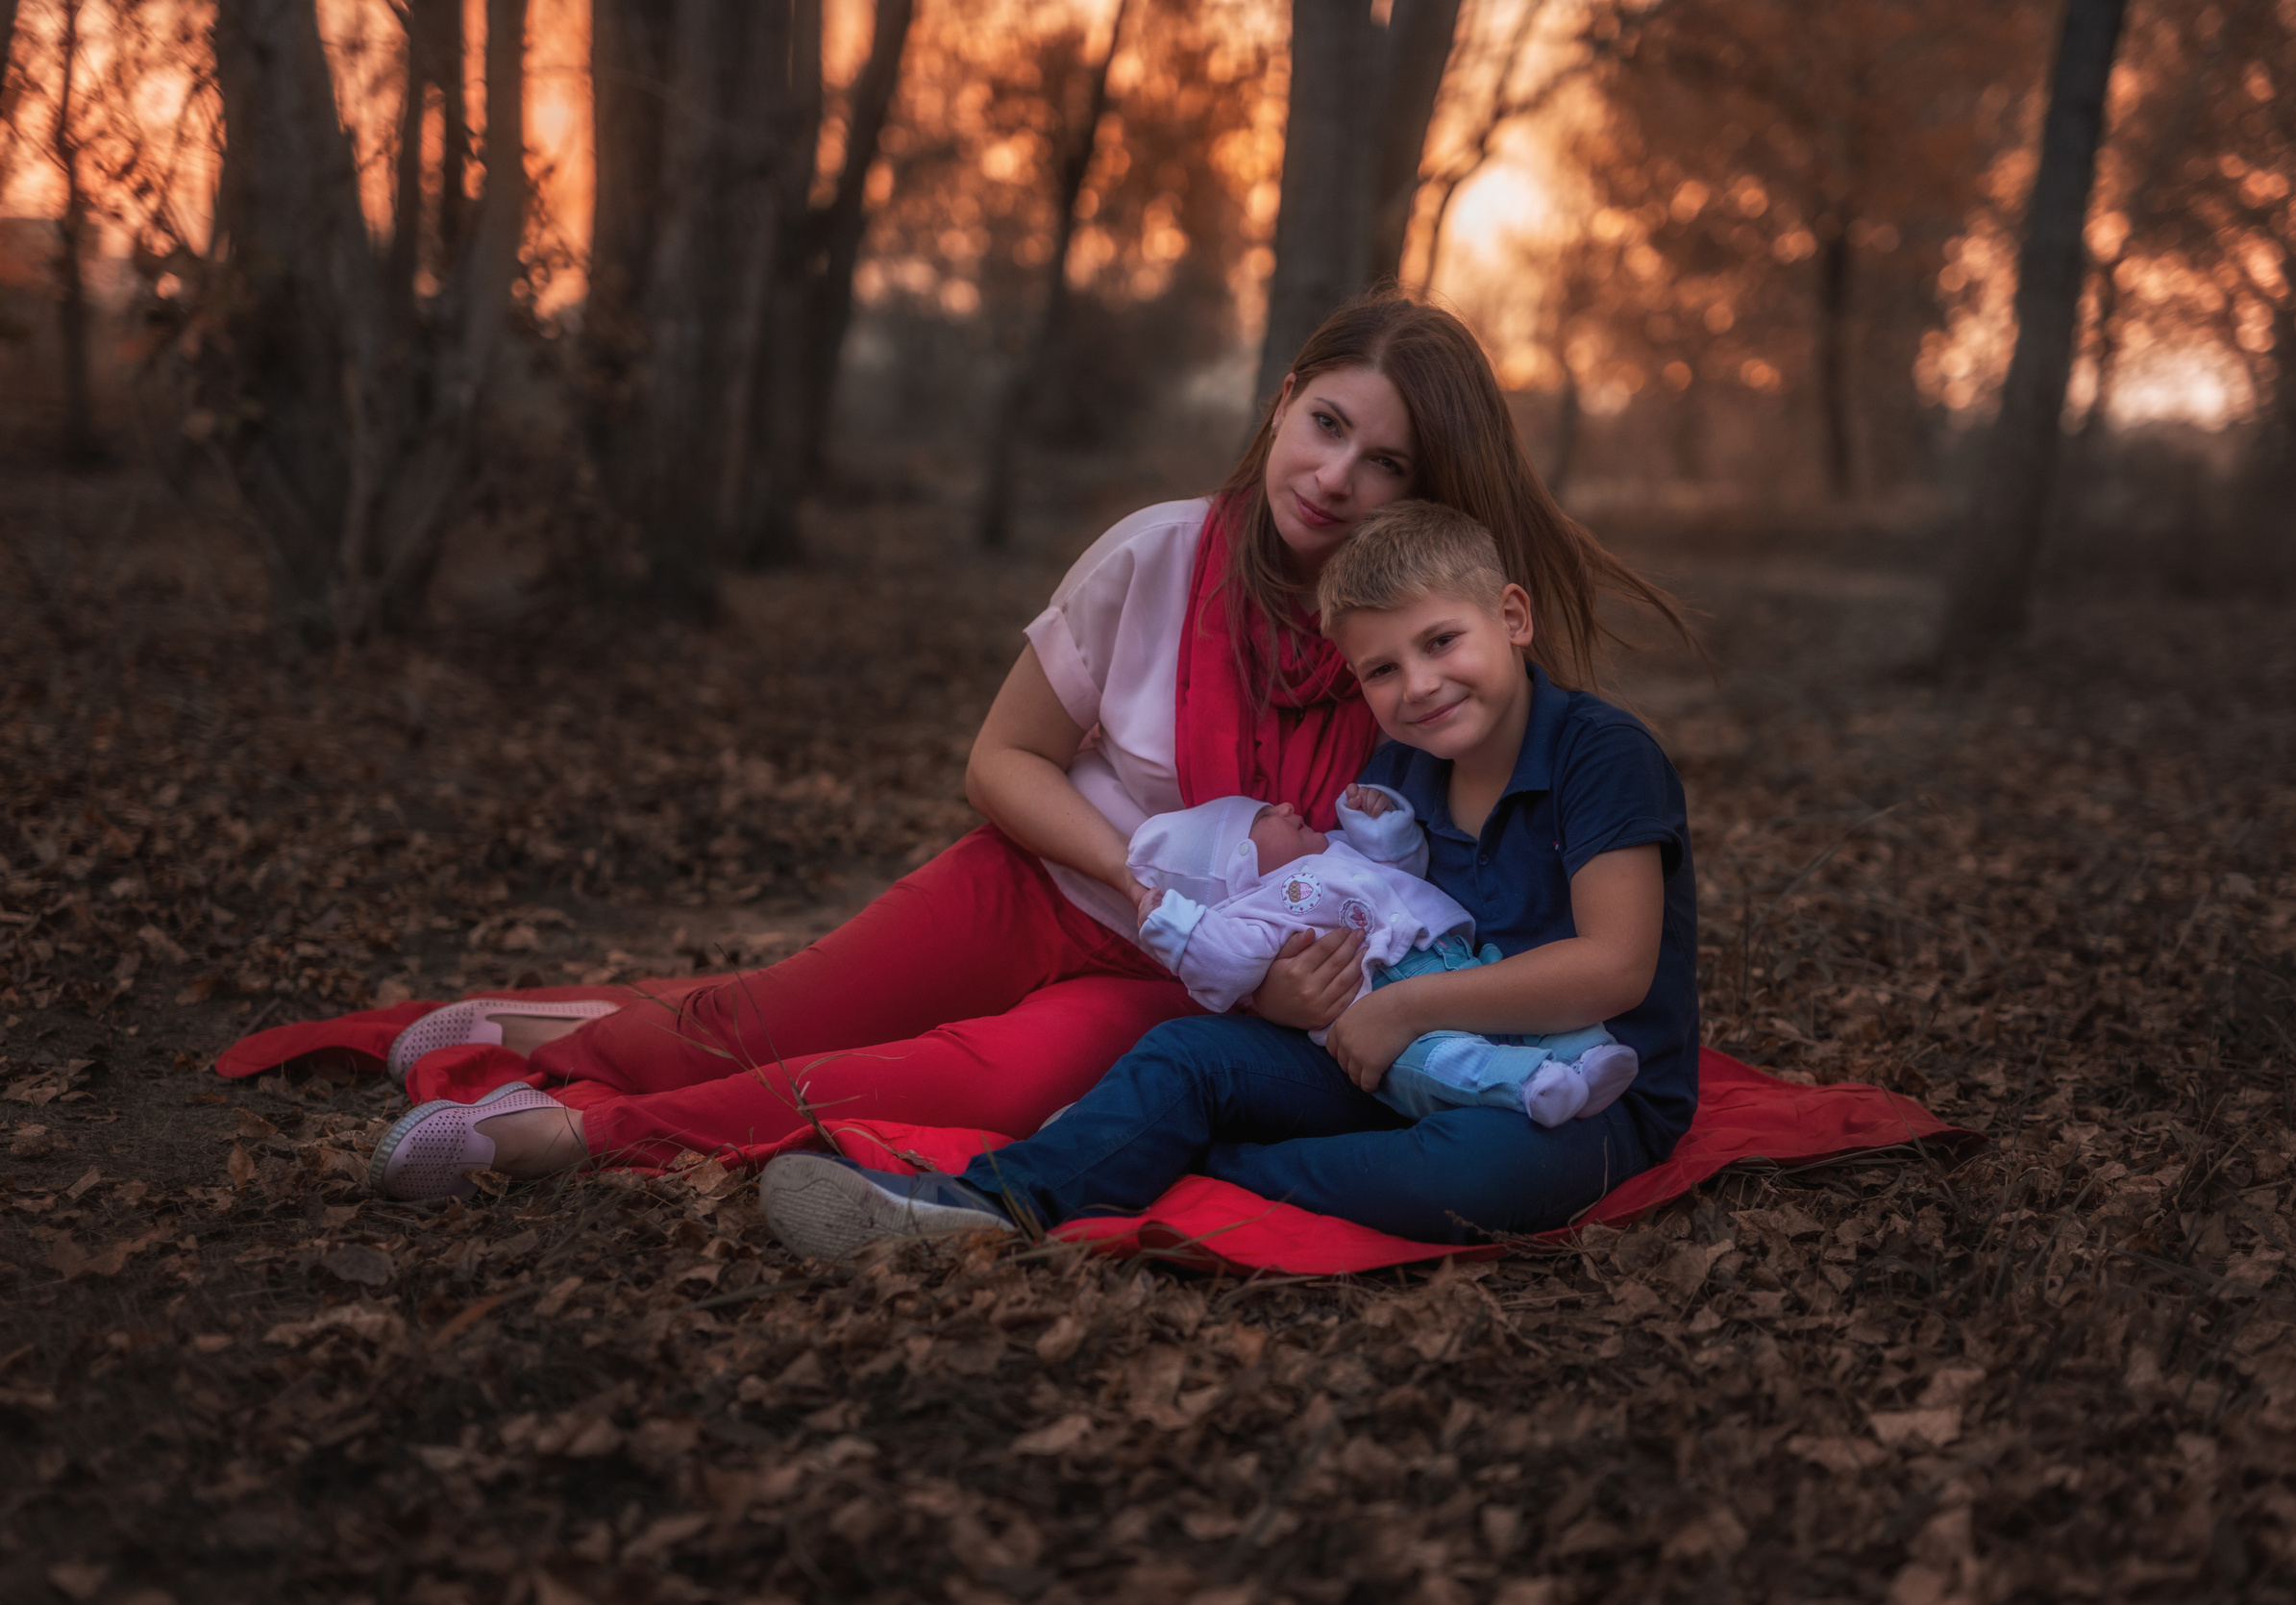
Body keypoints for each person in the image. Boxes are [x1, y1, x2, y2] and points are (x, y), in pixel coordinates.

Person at [365, 294, 1693, 1203]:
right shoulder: (1158, 552)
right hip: (1048, 881)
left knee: (926, 1084)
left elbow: (1437, 890)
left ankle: (563, 1132)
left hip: (1186, 985)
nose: (1338, 477)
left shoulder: (1419, 664)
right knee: (756, 1020)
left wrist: (1314, 993)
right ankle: (555, 1026)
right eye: (1328, 424)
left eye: (1389, 465)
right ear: (1284, 404)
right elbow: (1001, 760)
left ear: (1433, 496)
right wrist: (1144, 882)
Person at [757, 499, 1699, 1256]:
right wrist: (1295, 989)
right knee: (1186, 1054)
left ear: (1511, 615)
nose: (1418, 684)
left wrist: (1402, 1012)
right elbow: (1342, 904)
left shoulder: (1599, 753)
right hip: (1390, 1056)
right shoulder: (1403, 772)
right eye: (1381, 668)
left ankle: (1208, 1164)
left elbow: (1615, 966)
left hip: (1577, 1078)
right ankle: (981, 1204)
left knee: (1480, 1167)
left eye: (1441, 641)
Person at [1127, 783, 1636, 1125]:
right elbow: (1227, 963)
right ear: (1238, 864)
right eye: (1263, 817)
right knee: (1432, 1061)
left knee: (1517, 1000)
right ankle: (1526, 1083)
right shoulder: (1254, 912)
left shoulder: (1335, 848)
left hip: (1450, 957)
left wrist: (1379, 822)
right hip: (1381, 1005)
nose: (1283, 807)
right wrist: (1177, 929)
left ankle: (1587, 1056)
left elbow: (1405, 864)